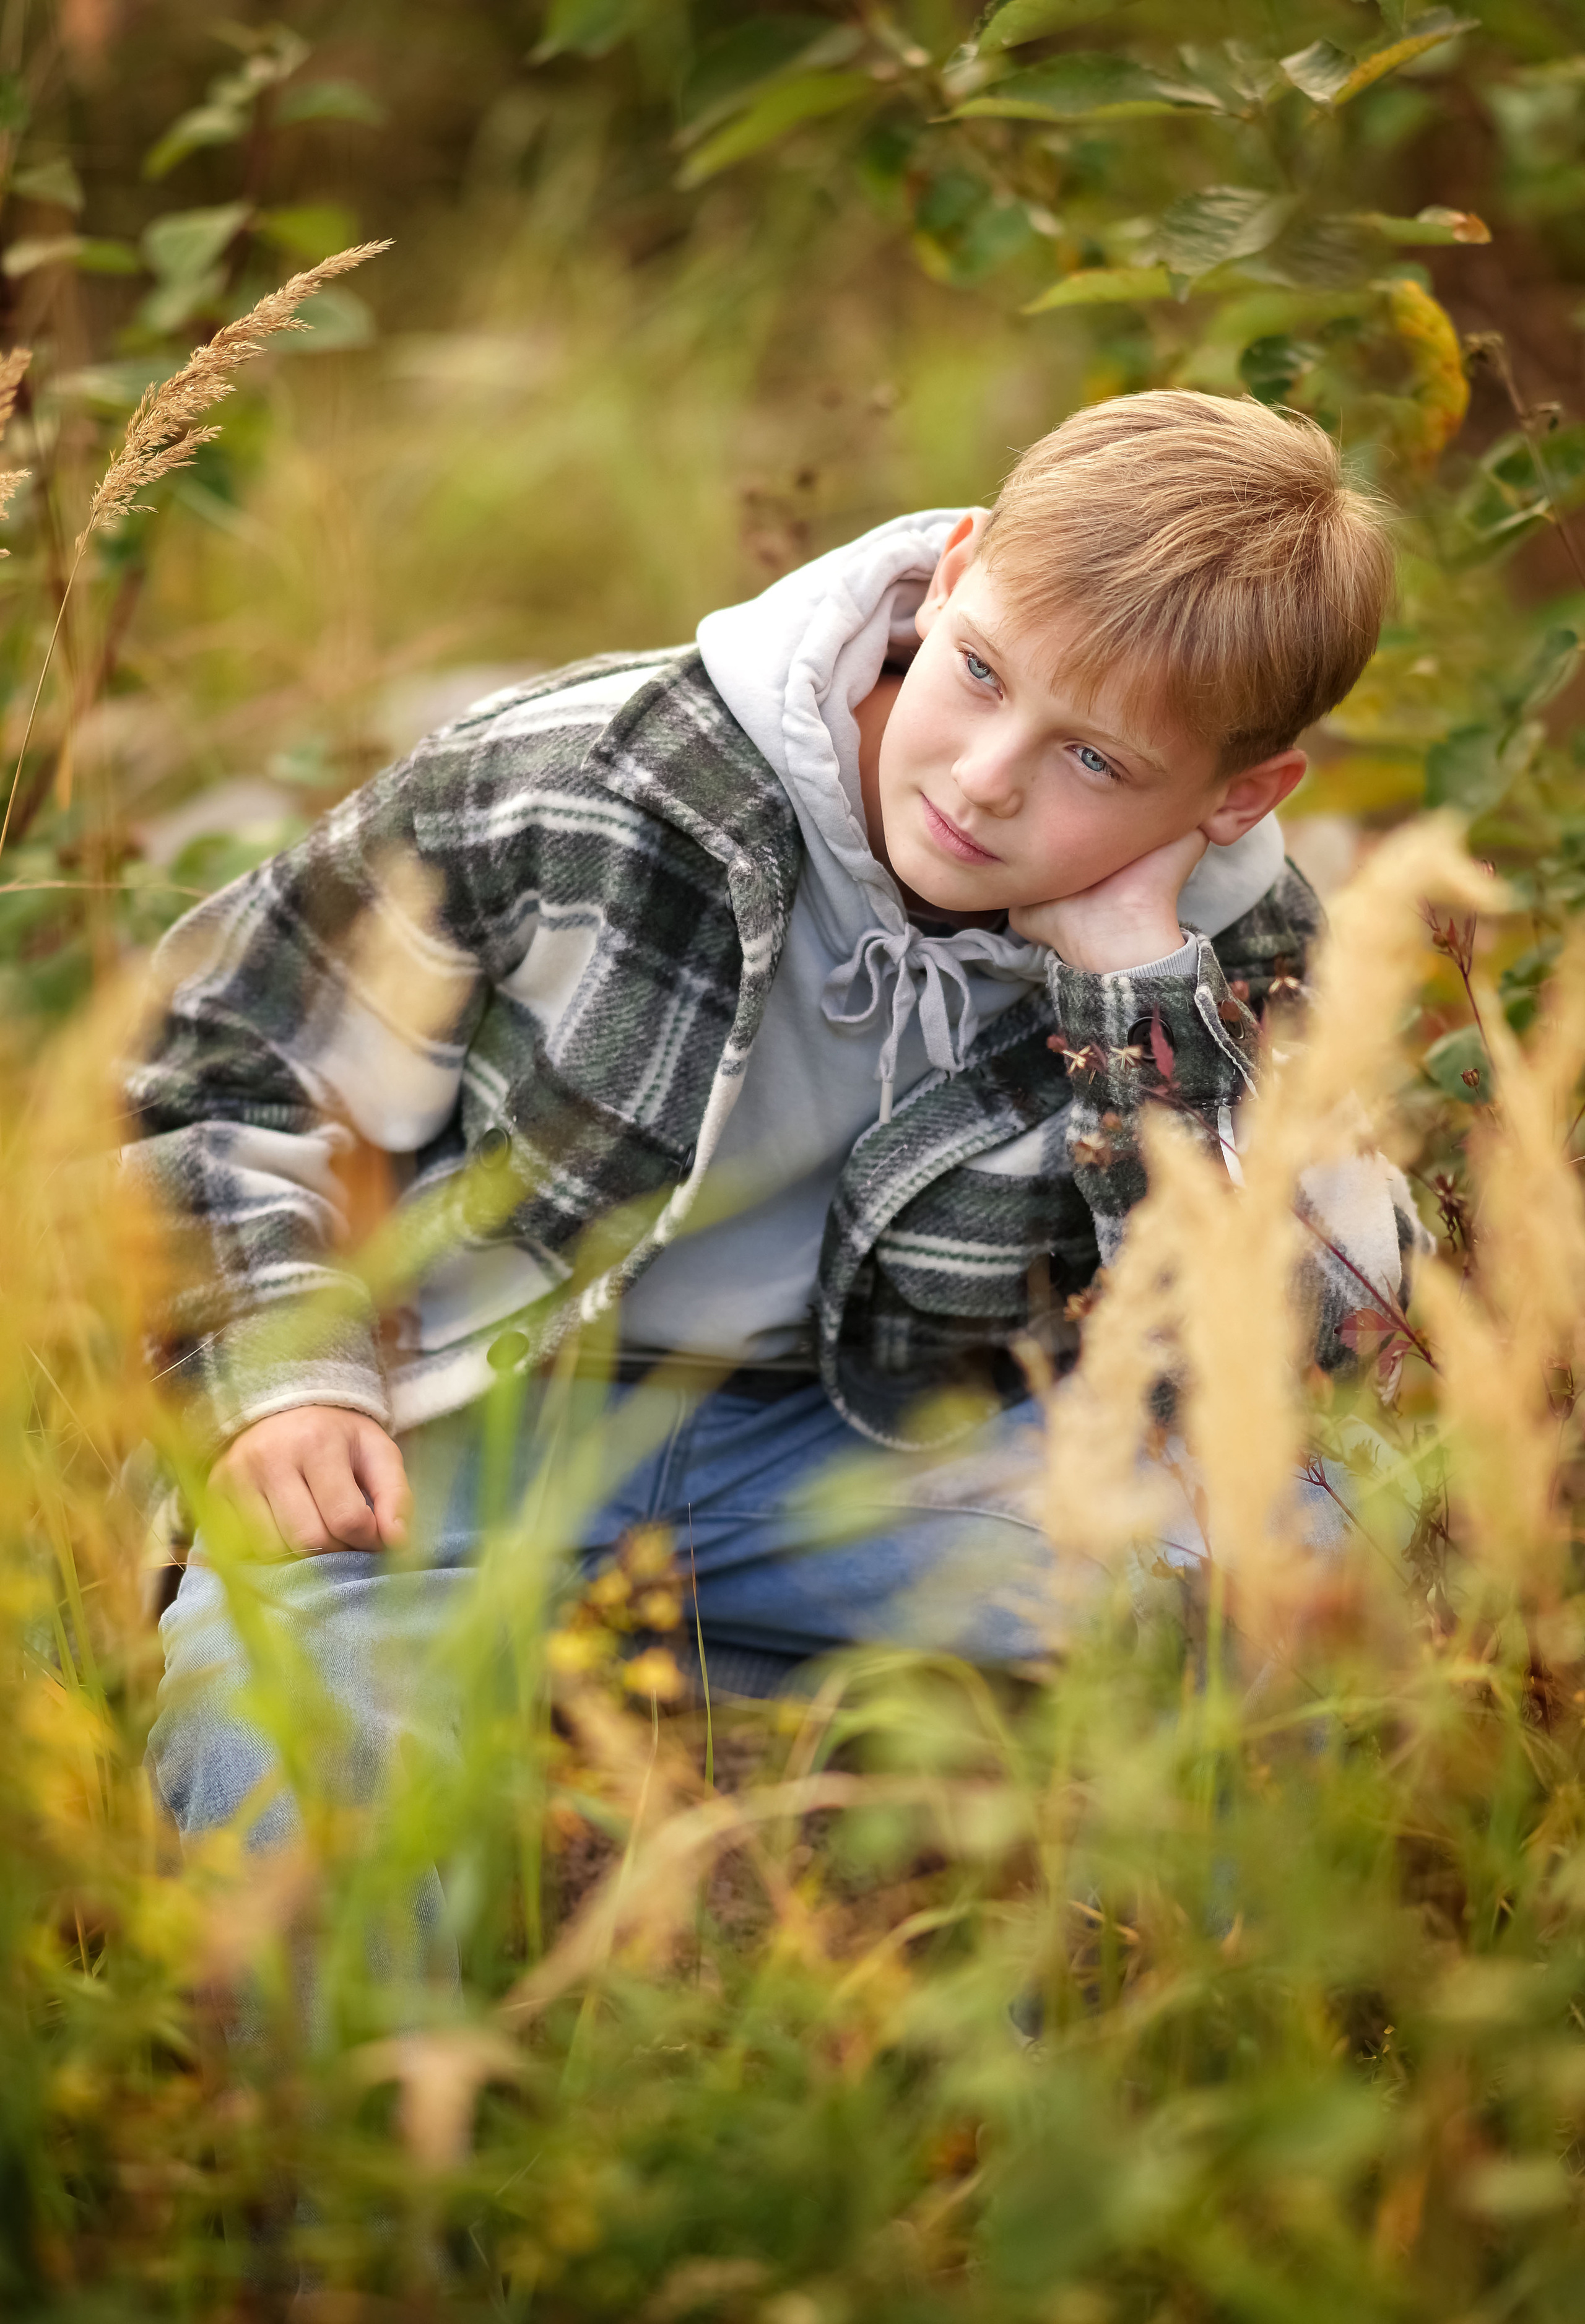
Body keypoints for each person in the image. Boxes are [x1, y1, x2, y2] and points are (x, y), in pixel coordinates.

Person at [129, 388, 1415, 1845]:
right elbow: (218, 1054)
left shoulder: (1228, 946)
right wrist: (288, 1362)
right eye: (982, 672)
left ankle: (1124, 2045)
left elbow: (1314, 1342)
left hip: (855, 1452)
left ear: (1242, 796)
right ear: (950, 573)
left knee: (1287, 1595)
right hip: (477, 1410)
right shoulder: (589, 779)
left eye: (1095, 761)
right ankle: (346, 2058)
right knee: (282, 1740)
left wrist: (1138, 991)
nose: (984, 780)